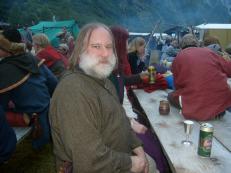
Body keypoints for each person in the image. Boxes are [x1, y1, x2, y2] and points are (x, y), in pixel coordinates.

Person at [49, 23, 158, 173]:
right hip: (97, 167)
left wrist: (137, 147)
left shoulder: (104, 80)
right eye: (96, 46)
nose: (105, 53)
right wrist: (131, 163)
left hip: (117, 158)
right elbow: (88, 158)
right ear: (80, 49)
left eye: (108, 46)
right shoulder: (73, 90)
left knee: (153, 162)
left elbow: (121, 118)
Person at [110, 26, 170, 173]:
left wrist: (140, 73)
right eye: (125, 40)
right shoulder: (110, 67)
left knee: (151, 137)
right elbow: (112, 101)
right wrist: (130, 121)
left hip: (124, 112)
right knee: (153, 146)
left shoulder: (118, 62)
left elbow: (122, 81)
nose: (127, 43)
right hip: (118, 125)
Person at [0, 28, 58, 149]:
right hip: (48, 109)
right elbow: (53, 83)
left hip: (32, 114)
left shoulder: (4, 70)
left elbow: (2, 104)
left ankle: (23, 120)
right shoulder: (32, 58)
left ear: (7, 49)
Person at [168, 34, 231, 121]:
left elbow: (177, 85)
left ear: (181, 46)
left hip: (197, 103)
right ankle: (217, 110)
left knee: (170, 96)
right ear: (197, 44)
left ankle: (204, 111)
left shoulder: (179, 57)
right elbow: (229, 69)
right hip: (220, 99)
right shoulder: (209, 52)